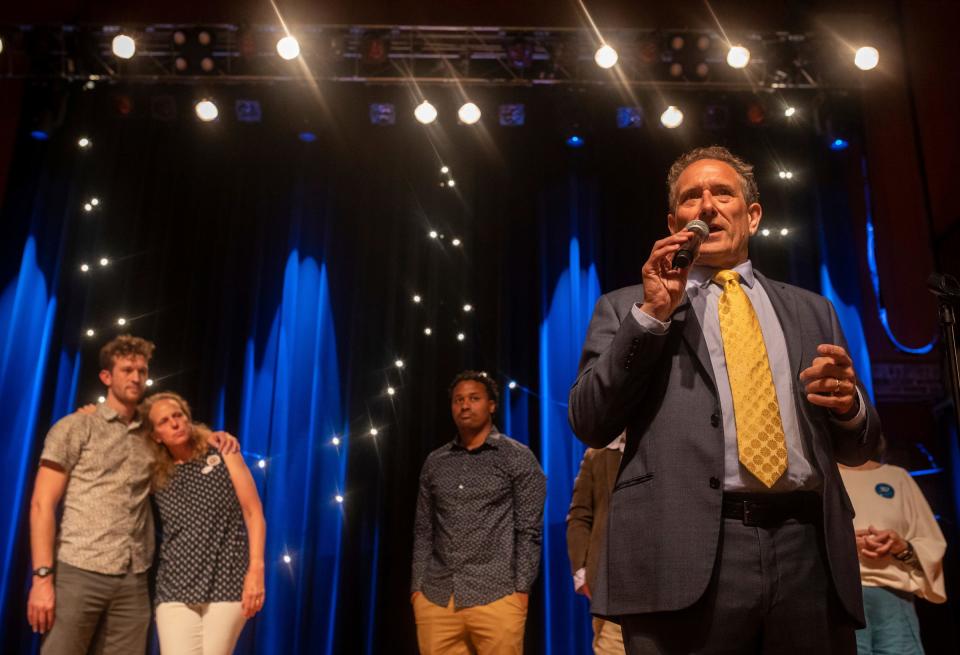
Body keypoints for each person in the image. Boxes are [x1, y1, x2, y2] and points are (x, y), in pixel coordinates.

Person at [568, 146, 882, 654]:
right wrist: (651, 318)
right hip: (685, 552)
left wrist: (850, 407)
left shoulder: (813, 310)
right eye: (691, 198)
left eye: (722, 193)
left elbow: (862, 446)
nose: (707, 206)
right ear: (674, 222)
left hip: (808, 550)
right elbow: (590, 421)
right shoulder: (627, 307)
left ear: (752, 215)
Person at [26, 335, 239, 654]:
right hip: (80, 568)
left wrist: (215, 437)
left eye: (141, 370)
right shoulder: (76, 427)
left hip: (134, 577)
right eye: (127, 370)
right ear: (107, 377)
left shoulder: (150, 433)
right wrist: (42, 576)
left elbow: (182, 437)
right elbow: (42, 504)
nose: (136, 377)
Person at [410, 371, 546, 655]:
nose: (465, 406)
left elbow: (529, 530)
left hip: (496, 594)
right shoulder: (435, 462)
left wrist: (521, 590)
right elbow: (424, 530)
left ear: (492, 405)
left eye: (474, 398)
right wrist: (417, 590)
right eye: (458, 400)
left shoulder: (516, 456)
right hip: (437, 596)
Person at [140, 391, 266, 655]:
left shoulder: (223, 451)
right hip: (174, 586)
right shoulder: (153, 470)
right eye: (164, 421)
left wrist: (256, 570)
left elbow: (253, 512)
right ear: (155, 435)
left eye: (178, 416)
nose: (174, 423)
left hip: (227, 581)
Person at [839, 449, 947, 654]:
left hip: (893, 599)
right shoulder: (821, 477)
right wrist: (841, 544)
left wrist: (901, 546)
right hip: (840, 599)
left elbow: (931, 542)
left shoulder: (896, 478)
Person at [567, 433, 627, 655]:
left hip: (660, 591)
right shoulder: (598, 455)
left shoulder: (663, 449)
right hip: (611, 590)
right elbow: (579, 516)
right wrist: (583, 573)